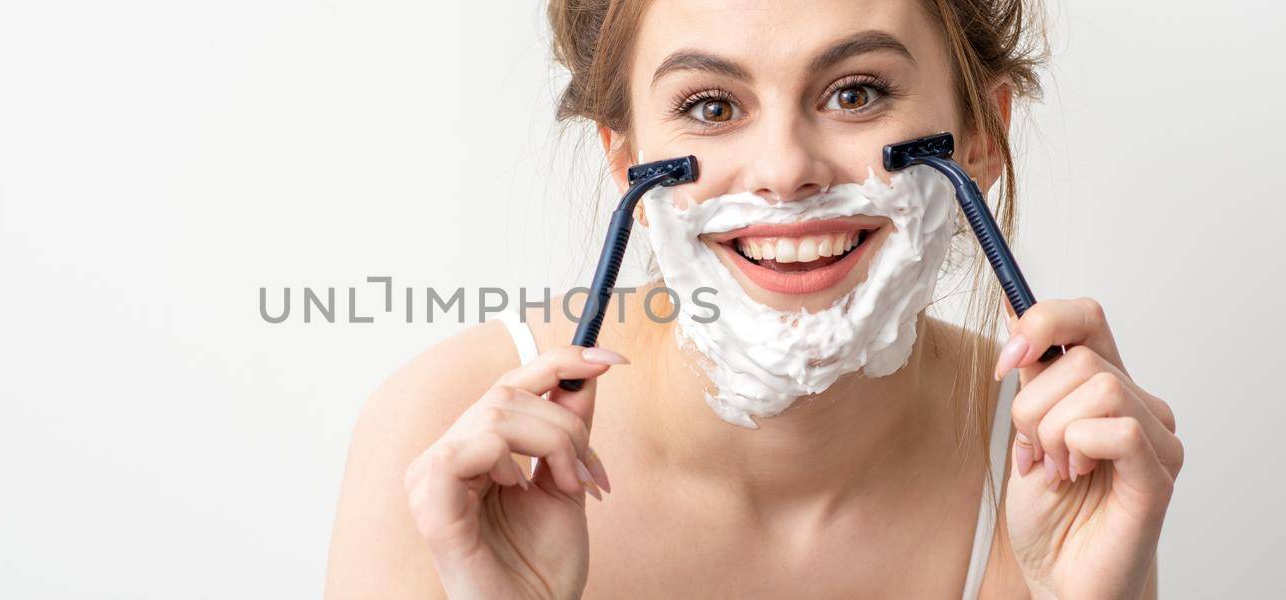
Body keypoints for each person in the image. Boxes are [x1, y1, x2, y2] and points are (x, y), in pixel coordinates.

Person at [326, 0, 1183, 597]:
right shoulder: (446, 444)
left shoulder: (1057, 467)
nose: (784, 172)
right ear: (628, 166)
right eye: (710, 105)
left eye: (857, 93)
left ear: (982, 135)